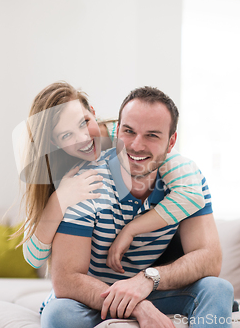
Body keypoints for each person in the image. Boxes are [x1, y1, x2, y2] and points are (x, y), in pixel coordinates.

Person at [39, 86, 234, 328]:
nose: (136, 145)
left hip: (153, 289)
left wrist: (147, 280)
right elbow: (66, 279)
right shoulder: (85, 185)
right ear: (116, 130)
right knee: (60, 314)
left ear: (171, 141)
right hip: (92, 298)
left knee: (218, 289)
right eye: (129, 131)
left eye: (152, 135)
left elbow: (209, 259)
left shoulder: (186, 183)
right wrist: (138, 305)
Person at [17, 82, 206, 275]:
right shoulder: (56, 170)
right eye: (66, 135)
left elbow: (191, 193)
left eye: (84, 122)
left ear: (92, 112)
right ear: (54, 142)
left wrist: (131, 229)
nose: (83, 138)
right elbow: (34, 258)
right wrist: (60, 199)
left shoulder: (128, 137)